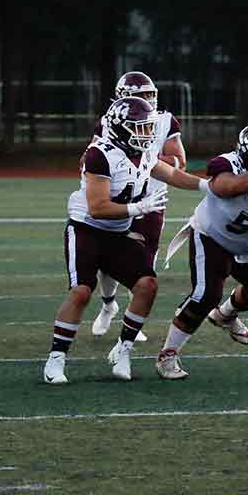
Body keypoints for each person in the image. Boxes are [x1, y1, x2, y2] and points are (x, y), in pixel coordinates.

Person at [44, 96, 205, 386]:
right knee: (81, 291)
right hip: (86, 229)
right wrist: (136, 209)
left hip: (118, 233)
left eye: (147, 128)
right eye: (140, 128)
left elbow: (172, 174)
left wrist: (208, 186)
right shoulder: (100, 154)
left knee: (147, 285)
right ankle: (56, 358)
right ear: (121, 128)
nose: (147, 134)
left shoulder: (141, 153)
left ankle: (123, 349)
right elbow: (97, 207)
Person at [153, 123, 248, 380]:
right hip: (212, 235)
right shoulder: (225, 164)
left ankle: (225, 315)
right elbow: (226, 188)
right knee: (205, 295)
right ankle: (168, 352)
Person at [92, 71, 186, 343]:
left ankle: (133, 318)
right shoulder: (110, 122)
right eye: (141, 95)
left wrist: (148, 158)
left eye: (150, 94)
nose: (148, 100)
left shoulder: (165, 120)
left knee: (145, 262)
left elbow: (179, 160)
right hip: (119, 197)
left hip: (151, 201)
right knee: (105, 262)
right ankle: (108, 304)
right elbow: (94, 154)